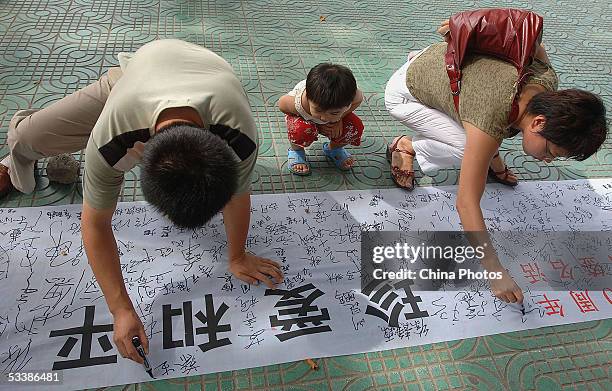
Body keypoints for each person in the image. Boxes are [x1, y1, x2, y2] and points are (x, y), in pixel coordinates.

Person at [0, 39, 283, 363]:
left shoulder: (240, 136)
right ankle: (18, 147)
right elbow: (95, 223)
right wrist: (120, 309)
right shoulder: (110, 142)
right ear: (138, 160)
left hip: (209, 72)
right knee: (29, 138)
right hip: (135, 73)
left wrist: (237, 256)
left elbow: (237, 195)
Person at [384, 20, 608, 303]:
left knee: (483, 143)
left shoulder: (547, 83)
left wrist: (495, 162)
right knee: (469, 147)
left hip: (443, 64)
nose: (548, 160)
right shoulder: (492, 113)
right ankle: (406, 145)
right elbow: (466, 201)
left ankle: (484, 155)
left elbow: (535, 46)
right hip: (408, 91)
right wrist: (494, 271)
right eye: (551, 151)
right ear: (538, 122)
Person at [278, 63, 364, 175]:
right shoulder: (300, 102)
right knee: (300, 129)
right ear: (308, 98)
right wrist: (315, 122)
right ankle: (297, 151)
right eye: (318, 110)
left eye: (334, 112)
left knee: (354, 126)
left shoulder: (353, 96)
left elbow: (358, 100)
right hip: (304, 118)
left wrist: (340, 118)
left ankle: (333, 149)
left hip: (334, 120)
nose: (324, 117)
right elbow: (282, 104)